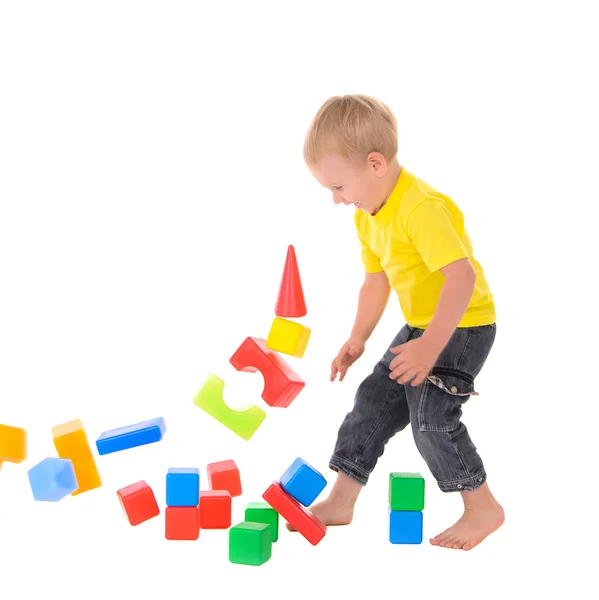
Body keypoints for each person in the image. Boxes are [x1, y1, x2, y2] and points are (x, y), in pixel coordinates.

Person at [294, 94, 504, 550]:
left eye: (338, 187)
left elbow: (462, 277)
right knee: (374, 400)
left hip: (464, 325)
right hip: (421, 325)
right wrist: (357, 338)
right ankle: (343, 499)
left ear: (375, 164)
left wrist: (430, 346)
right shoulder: (369, 216)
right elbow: (376, 282)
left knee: (430, 415)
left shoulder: (419, 207)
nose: (336, 200)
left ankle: (482, 505)